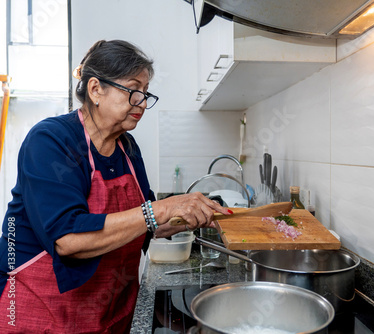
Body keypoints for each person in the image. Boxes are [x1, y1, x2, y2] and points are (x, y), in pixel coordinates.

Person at [0, 40, 231, 333]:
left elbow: (146, 223)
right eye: (134, 91)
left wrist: (192, 213)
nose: (143, 103)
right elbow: (68, 239)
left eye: (146, 94)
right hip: (45, 313)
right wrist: (161, 209)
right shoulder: (50, 141)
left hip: (112, 313)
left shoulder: (127, 148)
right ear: (96, 89)